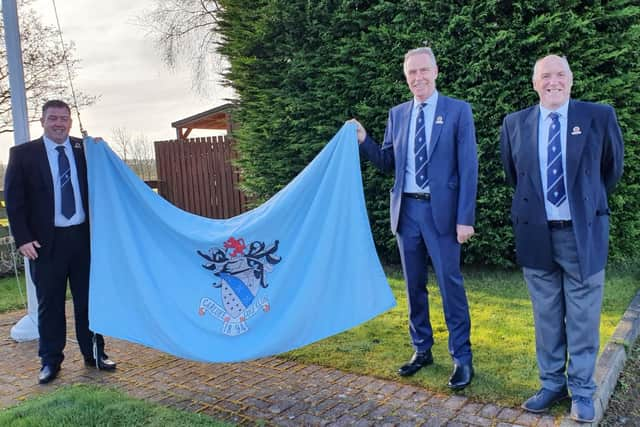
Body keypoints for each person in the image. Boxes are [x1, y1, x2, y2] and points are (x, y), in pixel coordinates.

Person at [500, 55, 624, 423]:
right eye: (545, 76)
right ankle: (551, 384)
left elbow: (610, 171)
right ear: (534, 82)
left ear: (571, 80)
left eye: (560, 75)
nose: (553, 81)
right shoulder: (514, 123)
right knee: (547, 318)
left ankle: (583, 392)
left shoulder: (598, 116)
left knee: (584, 318)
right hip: (536, 235)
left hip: (582, 235)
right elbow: (515, 175)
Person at [349, 47, 478, 390]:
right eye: (411, 73)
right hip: (407, 213)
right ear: (406, 77)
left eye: (423, 70)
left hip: (444, 215)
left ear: (435, 71)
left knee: (450, 285)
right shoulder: (398, 114)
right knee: (413, 287)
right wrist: (364, 139)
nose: (418, 78)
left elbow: (468, 167)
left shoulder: (458, 111)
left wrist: (465, 218)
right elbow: (387, 161)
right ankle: (422, 350)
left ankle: (462, 357)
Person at [4, 99, 117, 384]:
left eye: (64, 118)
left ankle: (95, 354)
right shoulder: (23, 154)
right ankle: (50, 361)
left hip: (83, 239)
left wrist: (100, 148)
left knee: (89, 302)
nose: (59, 123)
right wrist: (23, 239)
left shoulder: (84, 150)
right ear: (42, 121)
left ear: (69, 121)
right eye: (53, 118)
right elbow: (14, 201)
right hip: (44, 244)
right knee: (50, 305)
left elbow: (106, 175)